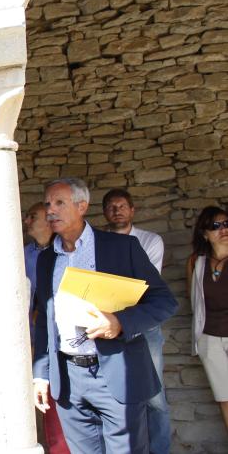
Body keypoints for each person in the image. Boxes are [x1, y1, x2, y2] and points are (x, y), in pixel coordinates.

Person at [32, 178, 177, 454]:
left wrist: (121, 323)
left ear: (82, 206)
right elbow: (45, 319)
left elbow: (164, 301)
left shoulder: (122, 247)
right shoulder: (46, 259)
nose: (50, 210)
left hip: (116, 372)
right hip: (69, 379)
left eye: (59, 203)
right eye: (48, 203)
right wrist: (41, 374)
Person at [102, 188, 170, 453]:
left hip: (144, 324)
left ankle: (160, 450)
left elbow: (144, 285)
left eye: (122, 206)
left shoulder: (150, 240)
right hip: (108, 324)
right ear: (104, 211)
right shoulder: (98, 241)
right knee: (112, 395)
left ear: (132, 210)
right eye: (111, 206)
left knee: (155, 397)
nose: (116, 210)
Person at [23, 202, 69, 454]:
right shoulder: (21, 254)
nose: (26, 221)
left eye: (32, 216)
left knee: (56, 408)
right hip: (25, 340)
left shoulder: (64, 253)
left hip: (57, 340)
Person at [187, 206, 228, 433]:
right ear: (205, 233)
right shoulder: (196, 262)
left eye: (226, 224)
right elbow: (193, 299)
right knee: (224, 398)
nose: (223, 229)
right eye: (215, 226)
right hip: (210, 338)